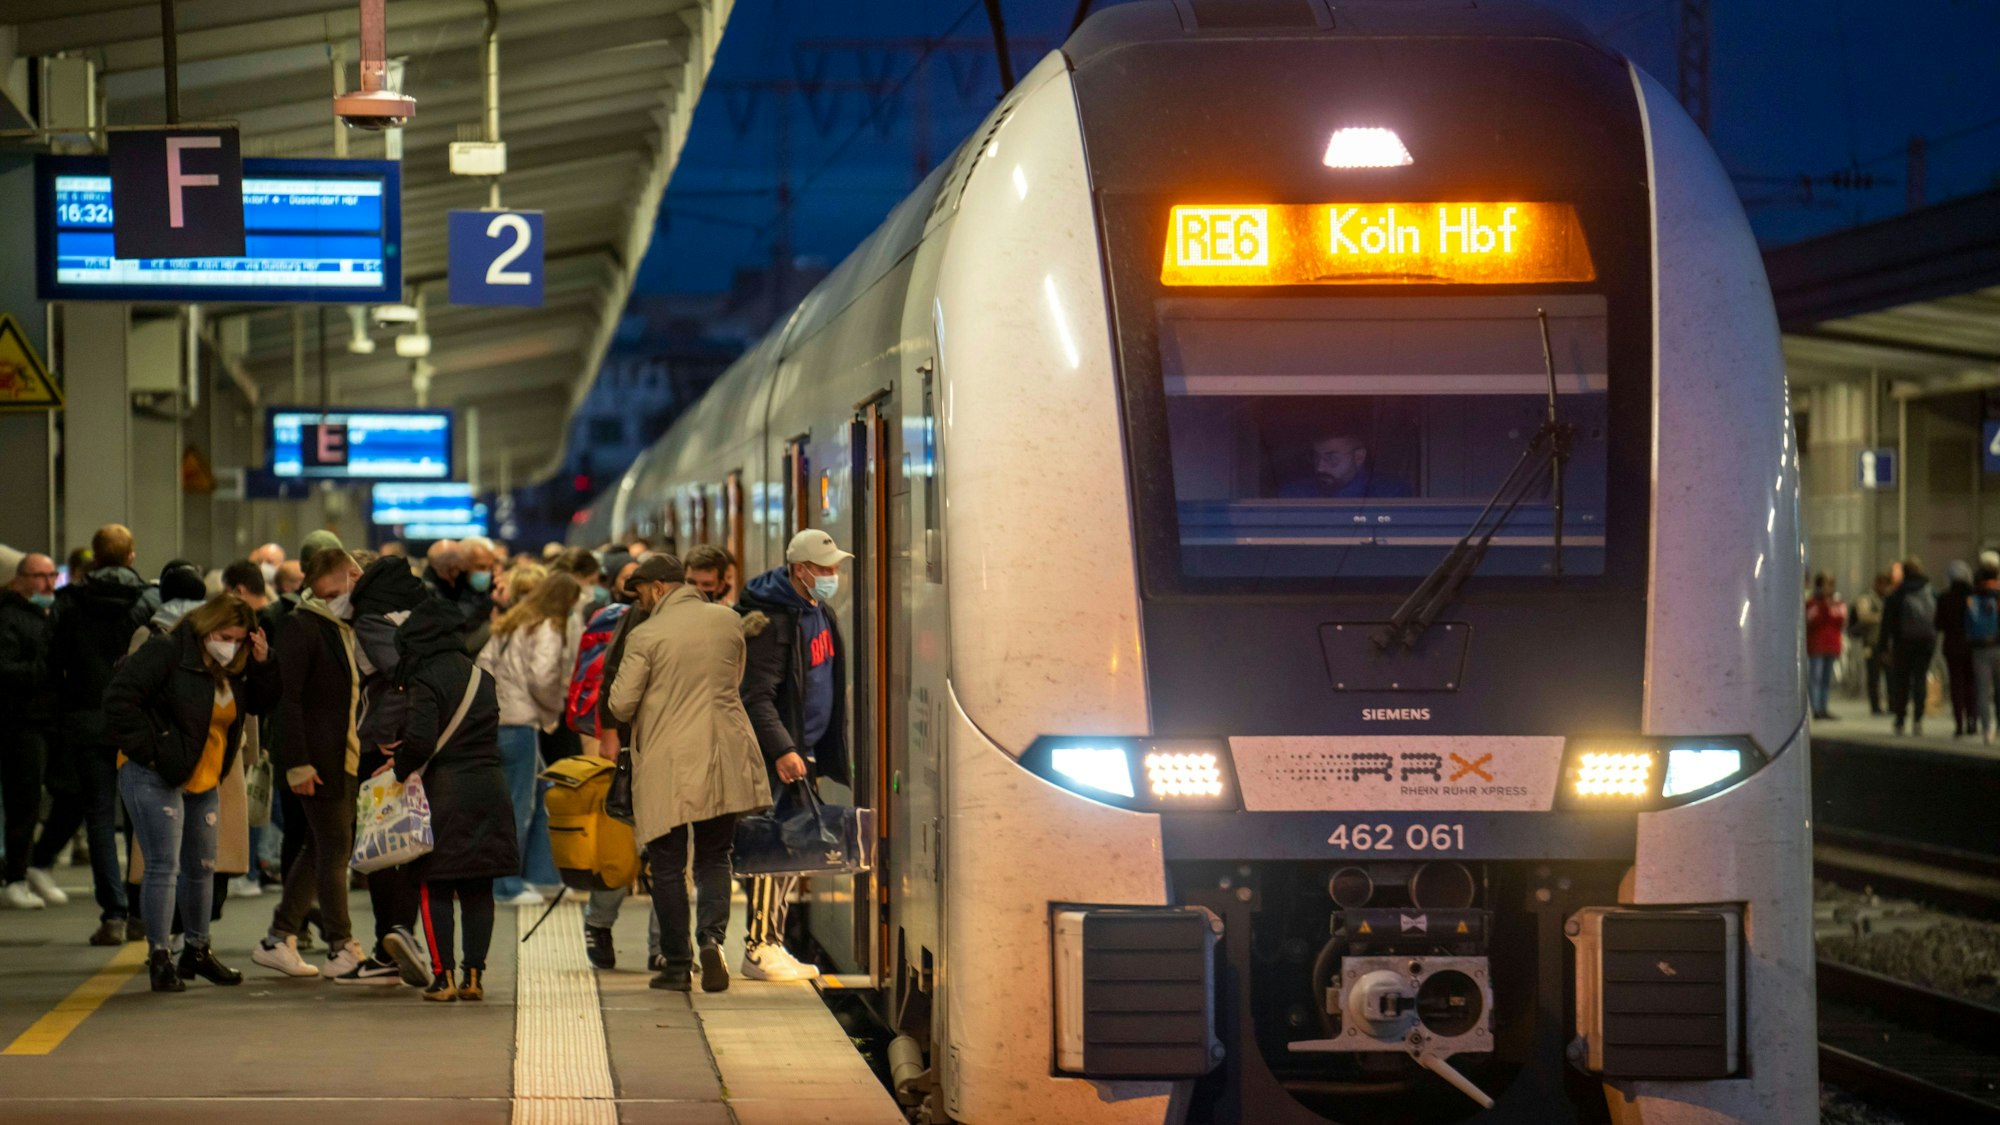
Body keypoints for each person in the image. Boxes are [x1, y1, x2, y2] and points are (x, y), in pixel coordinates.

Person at [606, 552, 770, 992]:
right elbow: (733, 681)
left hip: (668, 759)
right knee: (716, 856)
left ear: (659, 588)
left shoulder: (646, 634)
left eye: (640, 592)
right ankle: (713, 941)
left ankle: (678, 963)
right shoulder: (727, 621)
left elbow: (619, 704)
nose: (639, 601)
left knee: (668, 865)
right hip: (725, 752)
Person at [104, 594, 279, 991]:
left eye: (238, 639)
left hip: (204, 775)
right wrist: (152, 753)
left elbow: (264, 704)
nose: (229, 645)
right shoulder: (166, 651)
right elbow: (118, 701)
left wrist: (264, 661)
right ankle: (160, 956)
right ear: (204, 628)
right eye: (223, 636)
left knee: (202, 867)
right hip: (154, 773)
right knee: (164, 866)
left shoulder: (234, 665)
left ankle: (197, 951)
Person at [734, 529, 855, 981]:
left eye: (835, 568)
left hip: (805, 751)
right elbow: (757, 695)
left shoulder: (816, 611)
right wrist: (783, 748)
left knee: (789, 847)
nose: (832, 575)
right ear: (800, 571)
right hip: (783, 754)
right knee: (776, 845)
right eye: (824, 569)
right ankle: (759, 946)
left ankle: (772, 941)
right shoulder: (771, 622)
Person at [387, 598, 519, 1002]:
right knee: (479, 885)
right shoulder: (483, 677)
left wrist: (398, 765)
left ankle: (443, 977)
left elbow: (423, 740)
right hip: (489, 787)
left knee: (436, 883)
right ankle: (474, 977)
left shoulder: (426, 678)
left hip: (445, 791)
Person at [254, 547, 365, 979]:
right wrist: (297, 763)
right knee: (335, 847)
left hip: (346, 754)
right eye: (326, 593)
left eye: (337, 592)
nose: (333, 599)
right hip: (319, 759)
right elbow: (289, 700)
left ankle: (279, 936)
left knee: (318, 847)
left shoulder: (348, 625)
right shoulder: (303, 626)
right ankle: (342, 946)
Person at [43, 524, 148, 944]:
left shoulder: (70, 603)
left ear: (94, 557)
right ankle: (142, 911)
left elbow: (53, 662)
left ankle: (113, 915)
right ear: (131, 557)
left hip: (87, 721)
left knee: (100, 818)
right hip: (135, 723)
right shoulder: (145, 601)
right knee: (142, 818)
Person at [341, 555, 435, 987]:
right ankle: (404, 934)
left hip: (386, 747)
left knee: (380, 843)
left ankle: (388, 943)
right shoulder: (429, 613)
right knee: (415, 838)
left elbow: (398, 674)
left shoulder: (371, 619)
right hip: (425, 741)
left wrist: (390, 732)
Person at [123, 561, 229, 932]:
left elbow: (123, 698)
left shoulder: (149, 633)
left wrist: (148, 750)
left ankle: (162, 949)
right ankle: (191, 942)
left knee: (160, 864)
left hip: (158, 762)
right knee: (201, 866)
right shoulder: (214, 635)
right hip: (206, 761)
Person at [577, 556, 671, 971]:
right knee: (624, 849)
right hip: (635, 748)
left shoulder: (692, 618)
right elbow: (613, 675)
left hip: (675, 748)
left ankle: (663, 945)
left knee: (669, 854)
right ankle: (598, 924)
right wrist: (611, 734)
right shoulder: (633, 619)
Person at [476, 571, 581, 906]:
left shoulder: (513, 622)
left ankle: (540, 875)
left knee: (536, 794)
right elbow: (543, 675)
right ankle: (505, 884)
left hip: (500, 719)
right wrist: (554, 710)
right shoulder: (548, 626)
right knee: (518, 807)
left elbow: (484, 665)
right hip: (521, 724)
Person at [1, 553, 62, 910]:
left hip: (43, 720)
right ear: (19, 579)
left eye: (52, 575)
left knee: (50, 796)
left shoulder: (45, 616)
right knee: (22, 802)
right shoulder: (9, 617)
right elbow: (6, 670)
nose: (48, 583)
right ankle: (16, 877)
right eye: (39, 576)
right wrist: (45, 670)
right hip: (18, 722)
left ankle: (33, 867)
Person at [1879, 558, 1938, 737]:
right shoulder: (1930, 591)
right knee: (1920, 679)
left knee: (1901, 682)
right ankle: (1918, 720)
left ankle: (1900, 719)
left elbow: (1886, 623)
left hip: (1902, 643)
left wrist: (1883, 647)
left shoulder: (1897, 594)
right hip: (1925, 643)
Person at [1277, 427, 1413, 500]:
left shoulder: (1390, 494)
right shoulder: (1295, 495)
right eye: (1315, 457)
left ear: (1359, 457)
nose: (1319, 467)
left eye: (1331, 458)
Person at [1936, 560, 1978, 738]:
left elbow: (1938, 624)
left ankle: (1959, 723)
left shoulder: (1944, 597)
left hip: (1952, 646)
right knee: (1971, 683)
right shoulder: (1974, 596)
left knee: (1956, 684)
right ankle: (1972, 720)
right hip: (1973, 645)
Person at [1804, 573, 1846, 721]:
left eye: (1831, 584)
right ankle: (1816, 708)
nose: (1828, 588)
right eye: (1825, 584)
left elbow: (1840, 620)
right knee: (1816, 677)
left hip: (1832, 645)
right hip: (1817, 646)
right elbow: (1811, 620)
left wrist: (1830, 607)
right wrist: (1824, 607)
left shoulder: (1838, 602)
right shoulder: (1812, 603)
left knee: (1826, 679)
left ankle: (1823, 707)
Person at [1969, 562, 2000, 746]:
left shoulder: (1974, 595)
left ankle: (1986, 728)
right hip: (1998, 646)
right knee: (1999, 689)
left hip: (1979, 648)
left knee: (1982, 690)